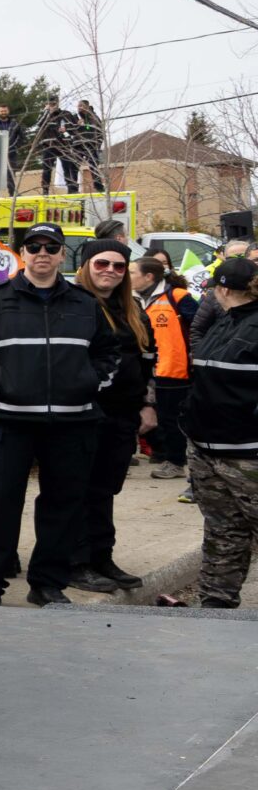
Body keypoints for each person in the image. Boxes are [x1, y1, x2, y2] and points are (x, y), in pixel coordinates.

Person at [0, 224, 125, 606]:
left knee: (63, 505)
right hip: (8, 420)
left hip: (72, 421)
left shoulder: (84, 303)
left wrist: (89, 382)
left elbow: (109, 353)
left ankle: (47, 584)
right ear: (23, 253)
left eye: (51, 247)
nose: (42, 253)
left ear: (62, 254)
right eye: (34, 246)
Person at [72, 237, 154, 592]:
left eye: (119, 266)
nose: (110, 271)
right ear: (86, 266)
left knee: (105, 489)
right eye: (102, 263)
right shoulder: (73, 304)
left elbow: (148, 360)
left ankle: (101, 557)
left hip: (123, 414)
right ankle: (75, 563)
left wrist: (148, 404)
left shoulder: (133, 308)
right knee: (79, 489)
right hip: (83, 412)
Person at [182, 254, 258, 606]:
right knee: (223, 531)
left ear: (223, 290)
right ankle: (216, 602)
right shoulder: (224, 323)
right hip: (206, 451)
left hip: (247, 455)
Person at [136, 256, 191, 477]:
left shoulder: (177, 296)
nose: (128, 277)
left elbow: (199, 326)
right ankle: (161, 453)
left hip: (173, 369)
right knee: (149, 414)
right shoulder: (133, 299)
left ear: (148, 277)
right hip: (145, 367)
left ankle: (176, 461)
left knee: (170, 418)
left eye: (132, 273)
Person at [191, 239, 253, 347]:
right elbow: (198, 330)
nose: (238, 262)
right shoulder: (215, 293)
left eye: (243, 257)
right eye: (232, 258)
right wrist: (201, 354)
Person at [35, 94, 81, 193]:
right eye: (51, 104)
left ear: (58, 103)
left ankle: (72, 190)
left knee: (68, 168)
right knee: (47, 169)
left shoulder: (66, 114)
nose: (53, 106)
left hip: (64, 145)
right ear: (47, 104)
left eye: (54, 103)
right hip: (49, 145)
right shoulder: (44, 115)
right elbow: (39, 124)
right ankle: (45, 190)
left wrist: (66, 130)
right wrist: (47, 112)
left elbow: (75, 129)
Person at [73, 100, 107, 192]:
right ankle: (73, 188)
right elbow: (69, 130)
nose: (79, 107)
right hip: (78, 145)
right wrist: (77, 125)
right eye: (78, 106)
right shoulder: (75, 117)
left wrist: (97, 145)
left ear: (87, 107)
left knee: (93, 166)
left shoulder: (94, 117)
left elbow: (100, 133)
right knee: (74, 166)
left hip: (91, 145)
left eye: (81, 105)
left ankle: (99, 187)